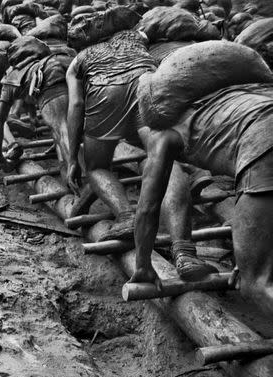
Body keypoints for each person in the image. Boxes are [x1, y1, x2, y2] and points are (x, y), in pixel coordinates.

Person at [65, 25, 214, 279]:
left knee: (97, 167)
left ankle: (125, 214)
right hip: (146, 86)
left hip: (104, 94)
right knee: (164, 159)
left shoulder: (80, 59)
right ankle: (184, 252)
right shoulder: (136, 42)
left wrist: (71, 158)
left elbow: (76, 104)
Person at [130, 83, 273, 312]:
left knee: (255, 285)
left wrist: (142, 264)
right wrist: (253, 254)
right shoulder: (229, 98)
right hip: (261, 146)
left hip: (262, 150)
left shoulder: (162, 132)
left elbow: (148, 206)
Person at [0, 36, 75, 171]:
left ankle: (82, 176)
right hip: (70, 64)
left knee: (62, 126)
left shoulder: (12, 77)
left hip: (49, 75)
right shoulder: (59, 56)